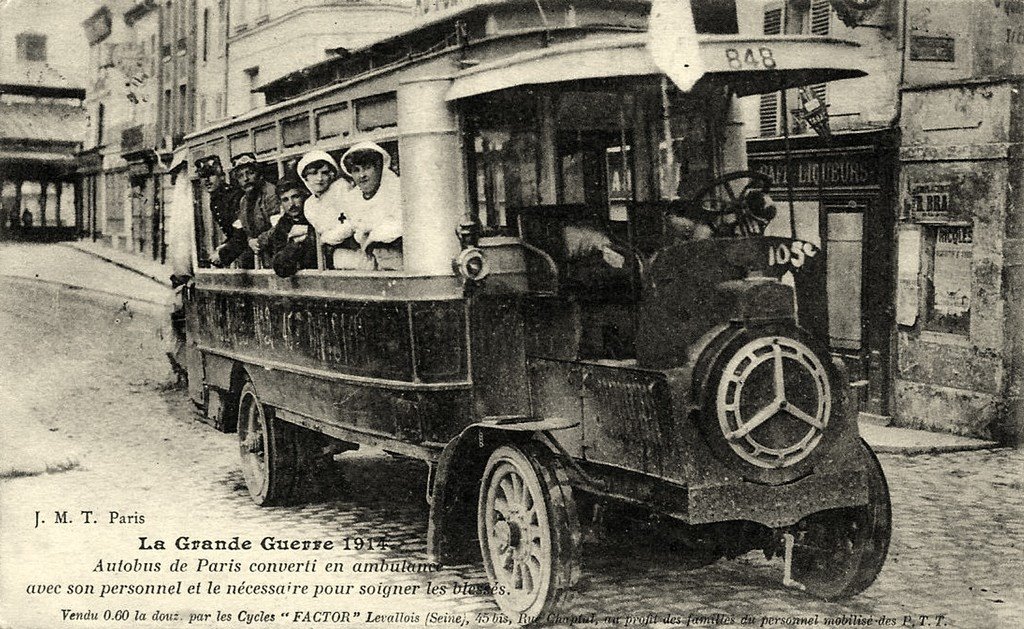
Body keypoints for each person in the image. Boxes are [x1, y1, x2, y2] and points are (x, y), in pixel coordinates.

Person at [295, 149, 369, 270]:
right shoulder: (309, 204)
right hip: (332, 256)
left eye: (324, 172)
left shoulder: (341, 188)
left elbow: (353, 222)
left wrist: (325, 238)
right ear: (305, 177)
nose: (319, 178)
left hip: (356, 249)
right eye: (313, 173)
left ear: (332, 174)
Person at [338, 141, 403, 270]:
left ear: (379, 168)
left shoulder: (397, 190)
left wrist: (372, 237)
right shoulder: (352, 199)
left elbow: (400, 223)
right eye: (356, 170)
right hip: (371, 264)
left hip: (399, 262)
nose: (362, 175)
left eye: (367, 168)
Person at [211, 153, 279, 268]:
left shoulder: (271, 194)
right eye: (240, 176)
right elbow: (245, 231)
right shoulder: (244, 201)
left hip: (277, 255)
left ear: (259, 174)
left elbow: (278, 227)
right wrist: (249, 240)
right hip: (263, 259)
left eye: (250, 173)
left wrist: (257, 241)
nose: (246, 179)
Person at [265, 177, 318, 277]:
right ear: (280, 203)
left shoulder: (314, 215)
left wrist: (310, 233)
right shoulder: (283, 225)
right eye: (285, 200)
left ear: (304, 196)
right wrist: (294, 243)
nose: (291, 204)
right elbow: (281, 269)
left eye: (295, 197)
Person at [195, 155, 243, 243]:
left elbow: (241, 233)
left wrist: (223, 250)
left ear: (222, 177)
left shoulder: (234, 196)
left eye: (211, 174)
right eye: (203, 176)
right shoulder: (214, 202)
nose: (207, 180)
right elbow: (230, 234)